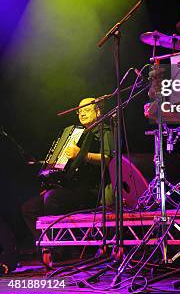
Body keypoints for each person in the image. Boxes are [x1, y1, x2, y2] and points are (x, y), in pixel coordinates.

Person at [22, 97, 113, 240]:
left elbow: (108, 160)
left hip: (91, 190)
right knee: (29, 208)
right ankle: (47, 246)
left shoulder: (105, 131)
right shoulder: (78, 134)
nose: (82, 113)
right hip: (71, 187)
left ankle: (59, 248)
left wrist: (82, 155)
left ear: (99, 111)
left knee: (52, 198)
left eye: (87, 110)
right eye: (79, 111)